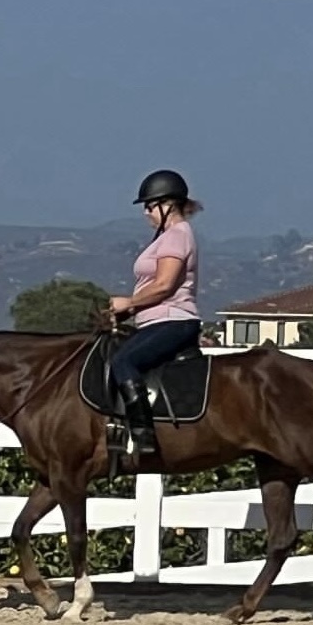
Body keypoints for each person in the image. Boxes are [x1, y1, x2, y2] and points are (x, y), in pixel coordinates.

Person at [108, 169, 202, 456]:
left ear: (168, 205)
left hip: (173, 320)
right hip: (155, 321)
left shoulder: (176, 236)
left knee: (124, 361)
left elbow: (164, 285)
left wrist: (129, 303)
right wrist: (131, 311)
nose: (146, 213)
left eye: (150, 206)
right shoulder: (167, 237)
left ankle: (143, 434)